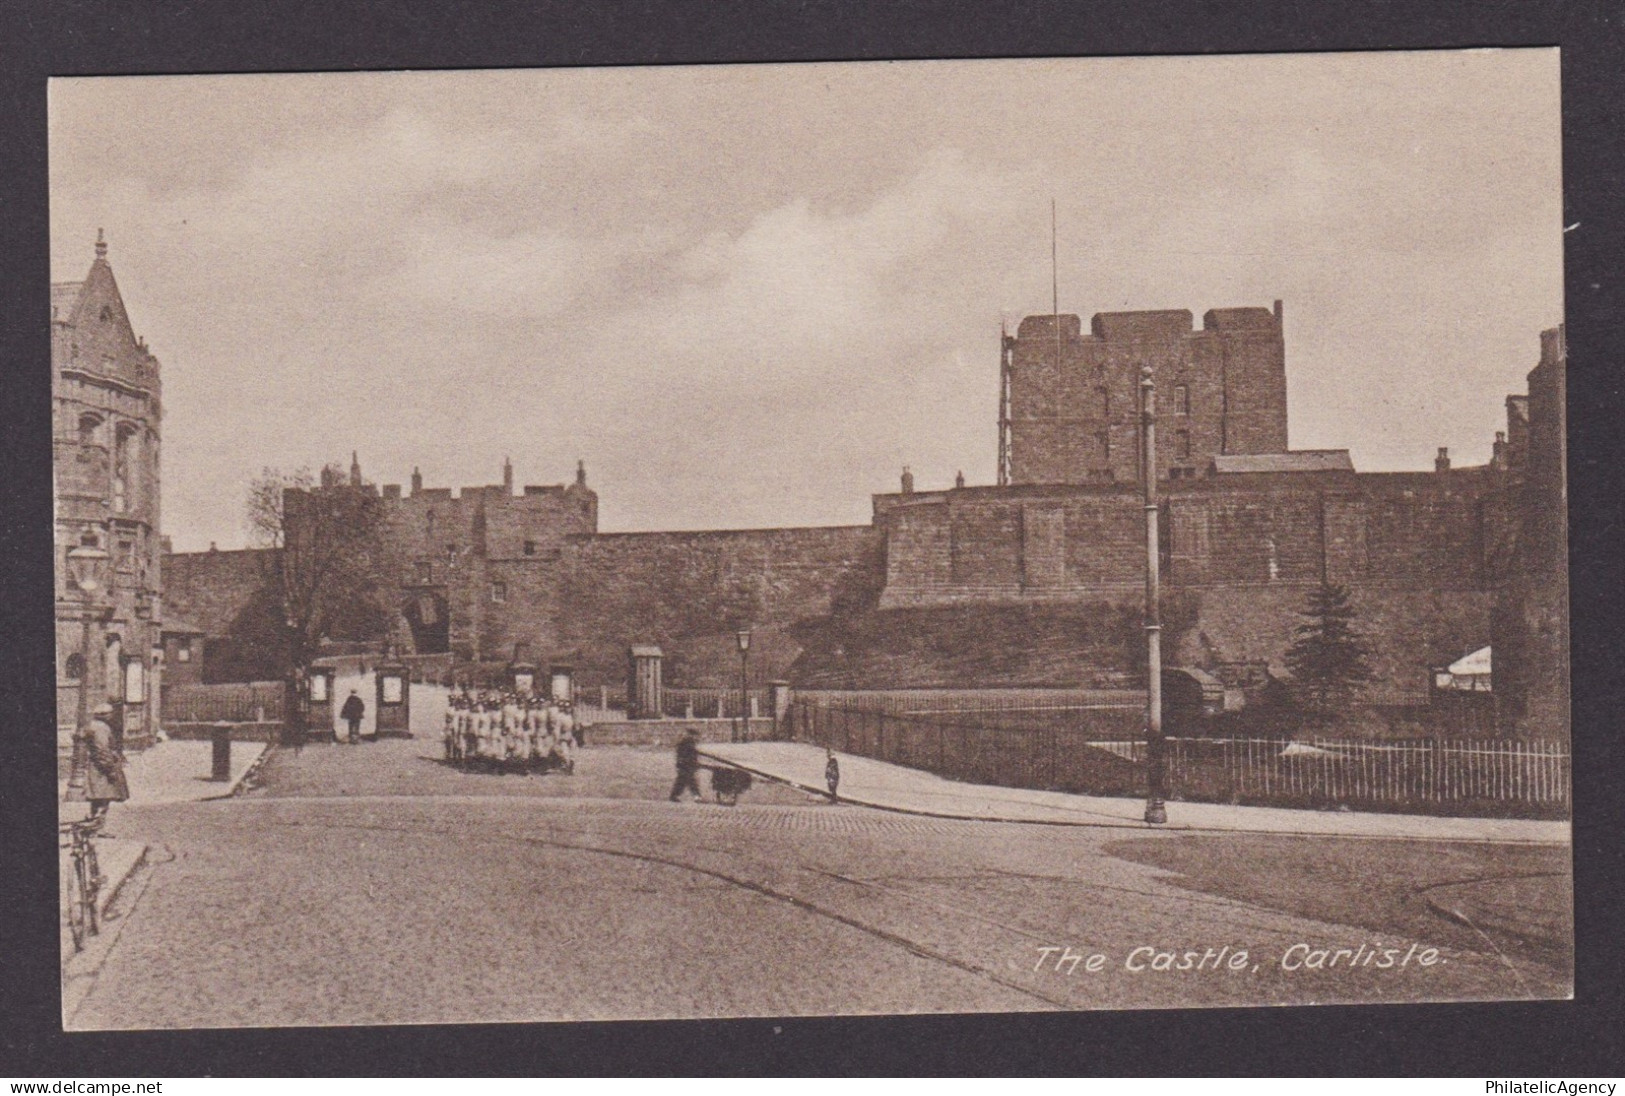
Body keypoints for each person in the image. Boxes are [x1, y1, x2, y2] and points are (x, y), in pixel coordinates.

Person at [84, 702, 129, 832]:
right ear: (103, 715)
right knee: (104, 799)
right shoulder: (101, 728)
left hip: (96, 766)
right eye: (109, 713)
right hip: (102, 769)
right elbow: (102, 750)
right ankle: (98, 828)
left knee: (97, 798)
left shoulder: (94, 726)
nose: (111, 716)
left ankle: (94, 826)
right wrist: (110, 770)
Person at [669, 727, 703, 803]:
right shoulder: (685, 742)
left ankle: (674, 795)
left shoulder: (688, 742)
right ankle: (696, 796)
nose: (696, 737)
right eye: (694, 735)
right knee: (689, 780)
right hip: (685, 764)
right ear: (690, 735)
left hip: (686, 764)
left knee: (682, 780)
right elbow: (684, 754)